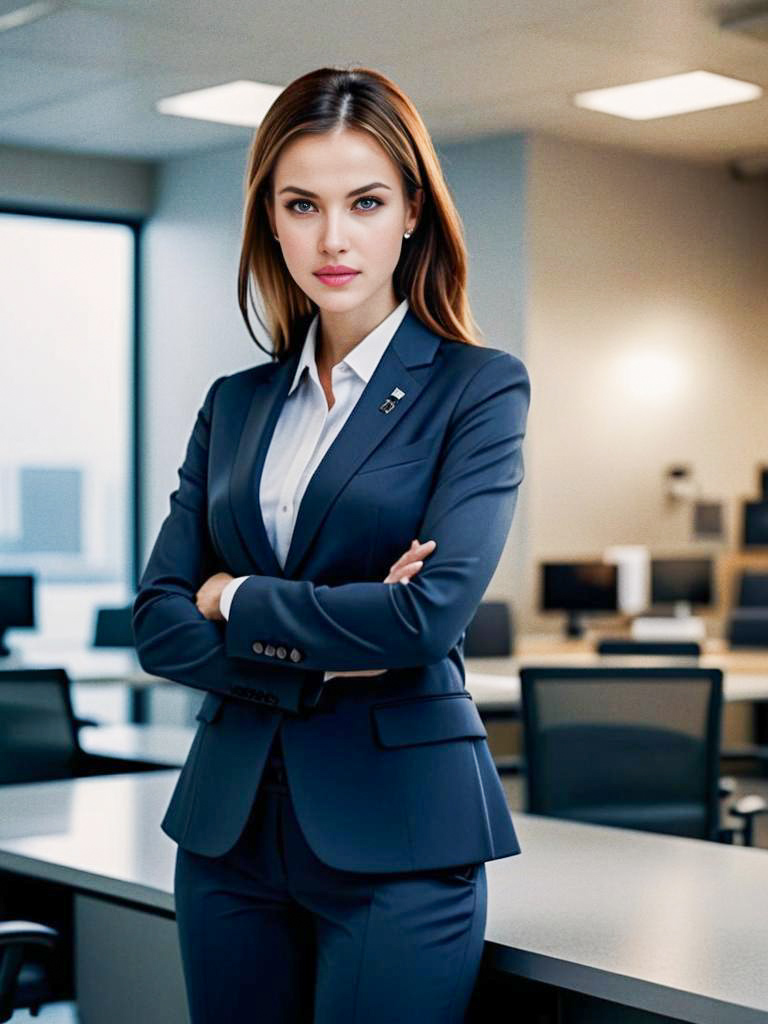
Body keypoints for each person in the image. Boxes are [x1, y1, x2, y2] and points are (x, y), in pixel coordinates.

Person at [132, 64, 531, 1023]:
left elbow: (425, 617)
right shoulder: (235, 404)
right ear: (270, 218)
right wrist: (332, 645)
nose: (334, 237)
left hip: (400, 832)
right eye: (302, 203)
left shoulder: (477, 389)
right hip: (229, 837)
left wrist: (234, 599)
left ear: (412, 216)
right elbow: (155, 622)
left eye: (365, 202)